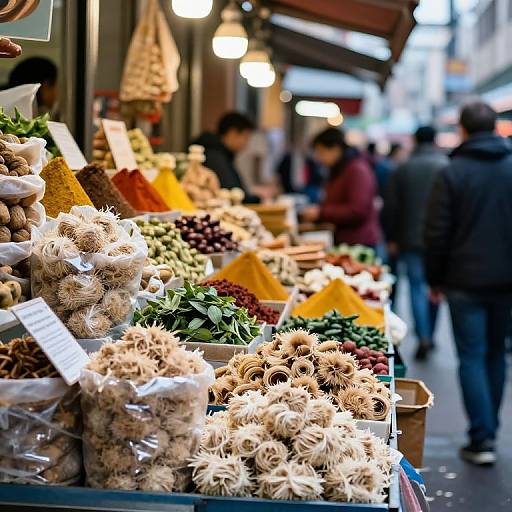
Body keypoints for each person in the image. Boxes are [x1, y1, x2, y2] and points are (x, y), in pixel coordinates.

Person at [425, 102, 512, 465]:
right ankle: (487, 431)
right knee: (496, 353)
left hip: (463, 280)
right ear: (495, 128)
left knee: (472, 356)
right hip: (507, 280)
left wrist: (434, 278)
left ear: (462, 129)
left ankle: (482, 438)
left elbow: (437, 233)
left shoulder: (452, 172)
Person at [383, 126, 449, 360]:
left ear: (414, 140)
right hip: (441, 240)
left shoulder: (403, 168)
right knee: (436, 287)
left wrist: (391, 237)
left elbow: (391, 207)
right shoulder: (446, 166)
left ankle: (423, 335)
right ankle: (429, 331)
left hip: (410, 239)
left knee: (416, 287)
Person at [302, 127, 381, 247]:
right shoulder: (339, 169)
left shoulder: (356, 170)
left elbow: (358, 211)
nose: (318, 158)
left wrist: (321, 213)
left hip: (359, 243)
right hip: (345, 239)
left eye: (321, 152)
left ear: (335, 149)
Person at [193, 112, 262, 203]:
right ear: (232, 133)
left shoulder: (220, 153)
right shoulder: (214, 156)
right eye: (245, 137)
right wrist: (258, 199)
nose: (246, 144)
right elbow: (232, 193)